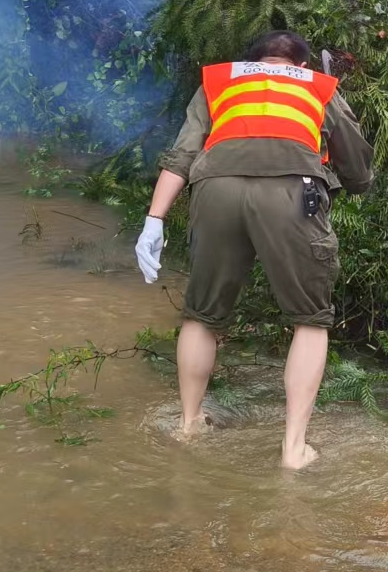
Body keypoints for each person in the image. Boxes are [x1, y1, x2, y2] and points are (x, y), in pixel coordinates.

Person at [135, 29, 374, 469]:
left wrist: (155, 219)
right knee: (310, 320)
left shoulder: (219, 82)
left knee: (202, 314)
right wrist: (353, 180)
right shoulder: (318, 85)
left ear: (252, 61)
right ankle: (293, 450)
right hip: (292, 194)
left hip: (214, 190)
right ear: (300, 65)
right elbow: (357, 168)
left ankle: (188, 425)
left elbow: (182, 156)